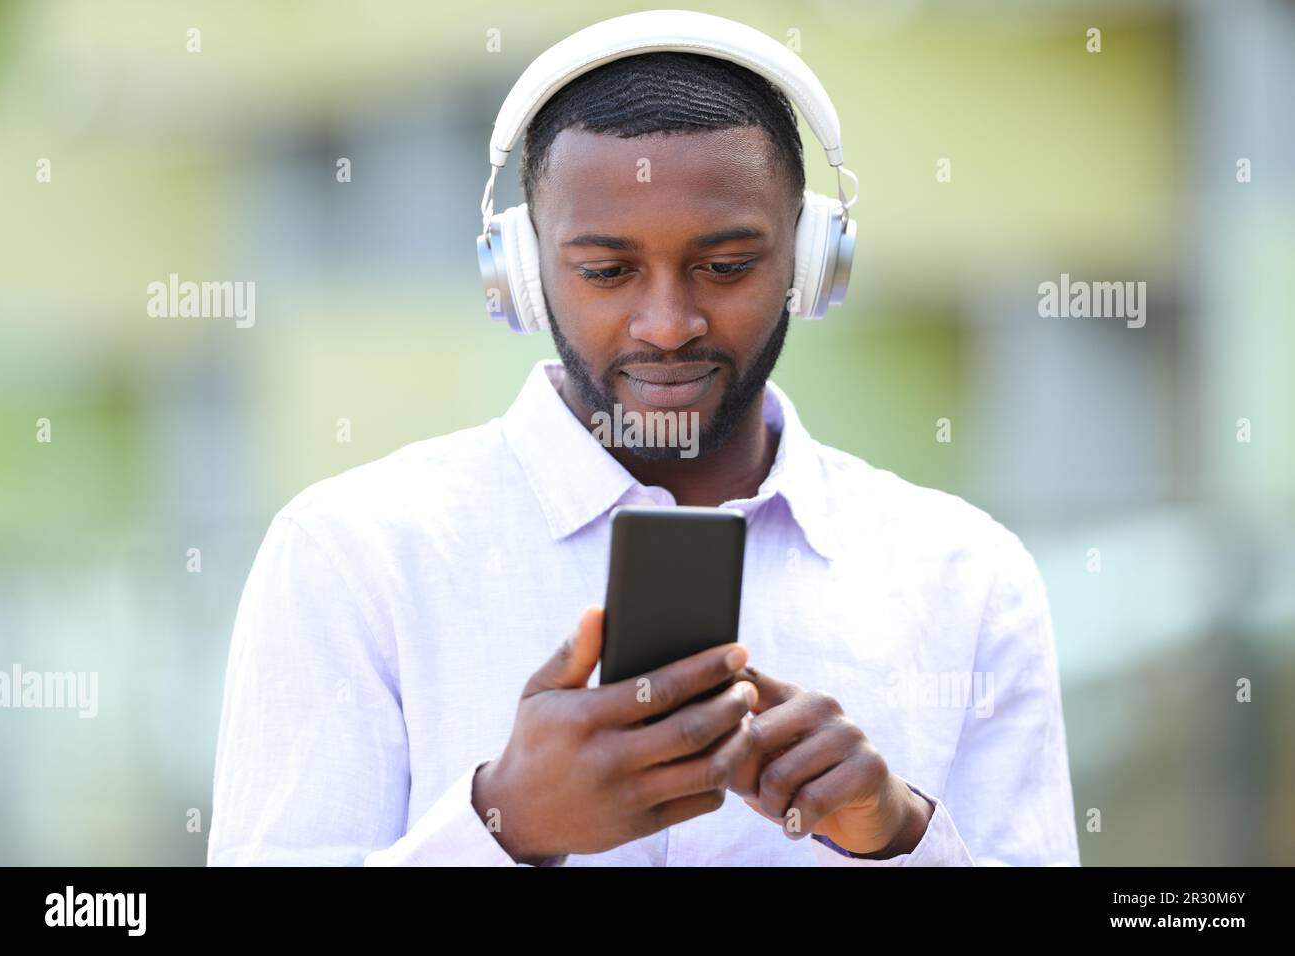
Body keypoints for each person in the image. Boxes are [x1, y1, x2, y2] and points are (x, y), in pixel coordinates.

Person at [207, 16, 1080, 867]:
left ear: (815, 263)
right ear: (518, 271)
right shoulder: (350, 557)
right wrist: (504, 825)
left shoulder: (967, 577)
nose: (668, 325)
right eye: (606, 271)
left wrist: (899, 836)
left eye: (727, 265)